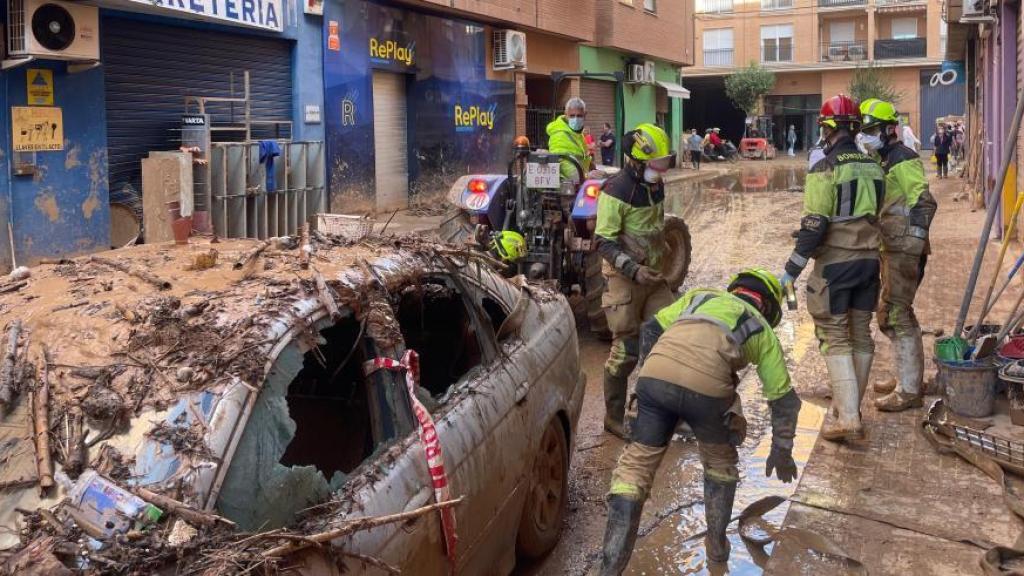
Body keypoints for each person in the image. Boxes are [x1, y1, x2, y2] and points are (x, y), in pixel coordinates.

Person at [598, 268, 802, 574]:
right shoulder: (761, 328)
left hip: (655, 375)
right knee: (720, 465)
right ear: (768, 307)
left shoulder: (699, 297)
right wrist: (781, 449)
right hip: (709, 389)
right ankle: (717, 549)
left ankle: (609, 568)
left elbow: (651, 328)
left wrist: (658, 390)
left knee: (633, 471)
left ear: (736, 289)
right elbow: (783, 399)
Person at [780, 94, 883, 442]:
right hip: (870, 262)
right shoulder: (874, 164)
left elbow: (815, 224)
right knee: (861, 334)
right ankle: (844, 409)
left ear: (827, 128)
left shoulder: (824, 167)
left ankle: (849, 418)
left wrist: (791, 270)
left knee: (836, 337)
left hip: (837, 264)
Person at [595, 123, 677, 439]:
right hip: (624, 282)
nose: (662, 170)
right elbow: (603, 241)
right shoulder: (615, 191)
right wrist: (632, 269)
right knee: (625, 352)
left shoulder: (655, 186)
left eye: (664, 163)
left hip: (654, 279)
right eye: (657, 165)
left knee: (671, 338)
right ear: (636, 160)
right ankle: (614, 418)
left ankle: (655, 407)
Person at [858, 98, 938, 411]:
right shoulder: (884, 160)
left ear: (890, 129)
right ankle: (908, 377)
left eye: (873, 129)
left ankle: (909, 390)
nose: (867, 135)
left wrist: (912, 244)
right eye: (865, 130)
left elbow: (924, 202)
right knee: (890, 314)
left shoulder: (902, 158)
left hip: (903, 249)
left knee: (896, 314)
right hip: (891, 248)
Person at [546, 97, 593, 182]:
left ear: (585, 115)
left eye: (579, 116)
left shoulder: (577, 134)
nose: (575, 119)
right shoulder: (559, 135)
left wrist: (593, 169)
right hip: (567, 188)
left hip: (580, 183)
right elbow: (563, 164)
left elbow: (583, 158)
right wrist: (586, 176)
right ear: (566, 114)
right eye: (572, 116)